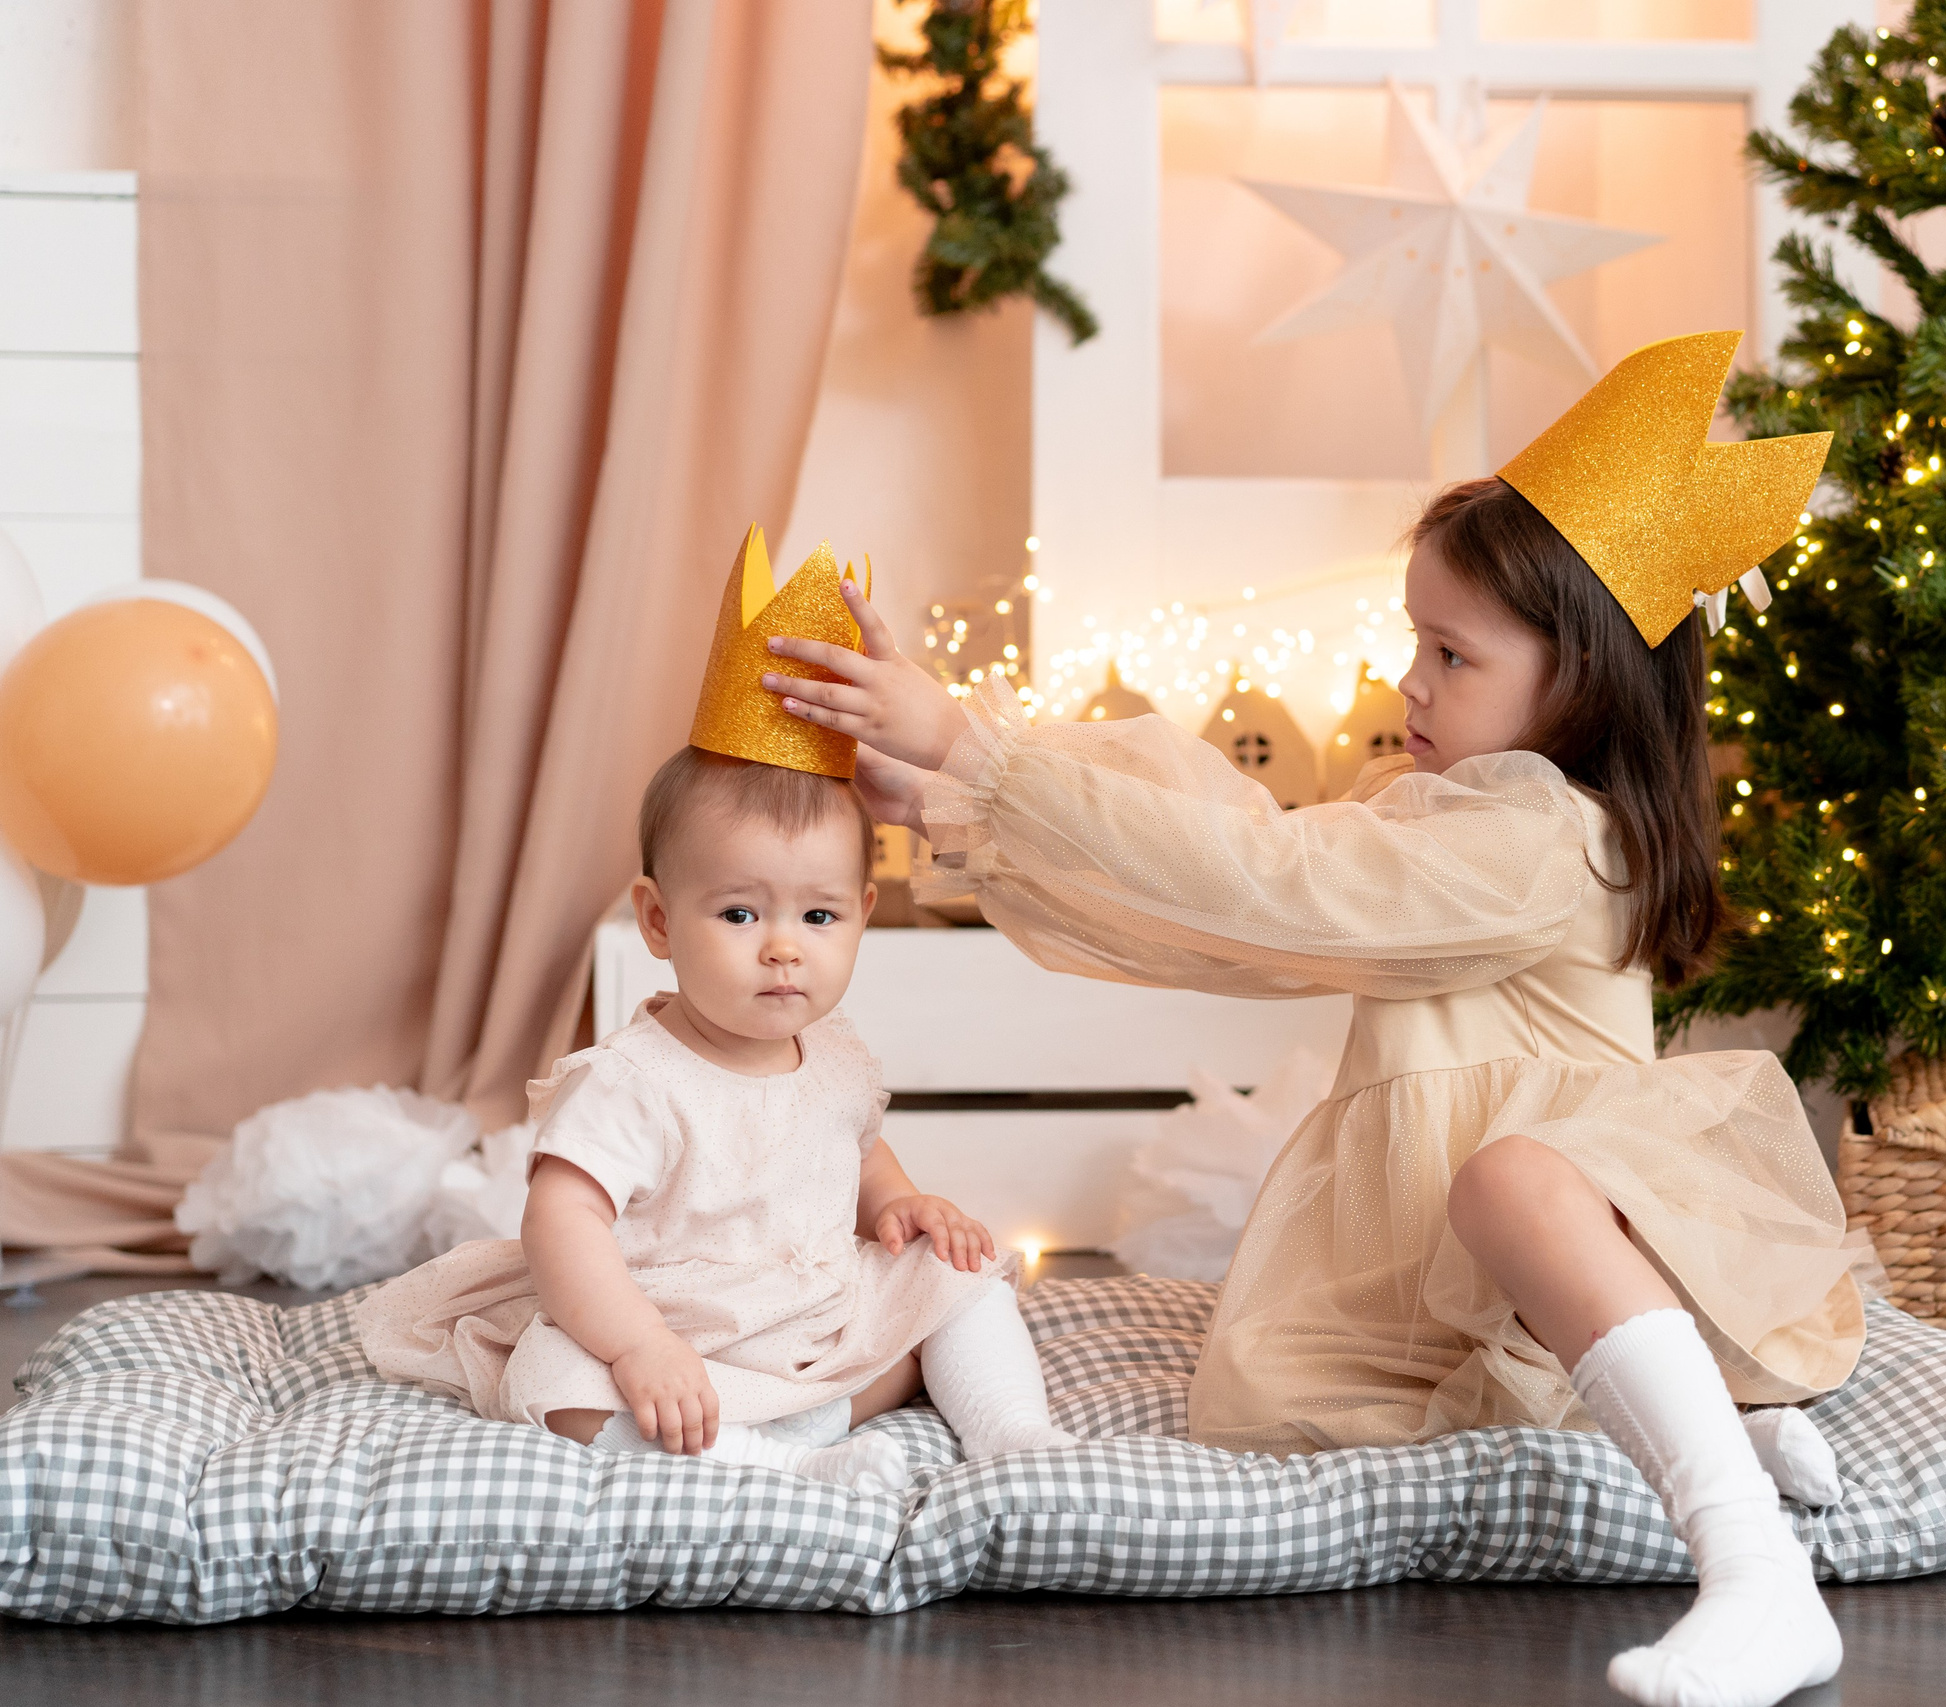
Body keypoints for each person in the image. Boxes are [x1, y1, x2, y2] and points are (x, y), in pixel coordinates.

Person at [764, 334, 1864, 1707]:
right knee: (1407, 1300)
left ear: (1581, 677)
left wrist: (986, 750)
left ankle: (1755, 1567)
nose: (1410, 681)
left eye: (1450, 652)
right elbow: (1251, 886)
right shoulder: (1449, 818)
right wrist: (961, 801)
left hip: (1563, 1223)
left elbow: (1278, 882)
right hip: (1478, 1279)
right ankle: (1682, 1428)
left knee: (1513, 1177)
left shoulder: (1545, 840)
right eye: (1417, 639)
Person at [360, 533, 1073, 1490]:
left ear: (861, 915)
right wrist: (639, 1345)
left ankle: (1013, 1438)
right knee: (552, 1379)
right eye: (739, 912)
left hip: (814, 1314)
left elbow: (857, 1149)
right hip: (677, 1333)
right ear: (658, 919)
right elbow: (561, 1221)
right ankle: (766, 1462)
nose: (784, 945)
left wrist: (900, 1204)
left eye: (817, 915)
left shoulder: (833, 1054)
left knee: (962, 1281)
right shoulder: (631, 1079)